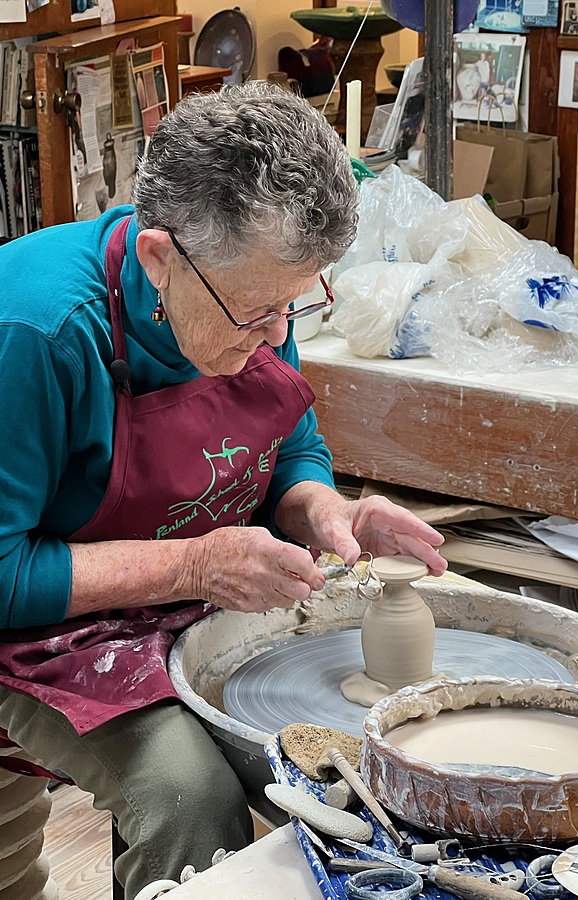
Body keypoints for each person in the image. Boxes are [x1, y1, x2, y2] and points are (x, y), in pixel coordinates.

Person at [0, 82, 447, 899]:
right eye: (255, 312)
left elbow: (292, 448)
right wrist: (192, 568)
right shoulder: (35, 331)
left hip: (180, 598)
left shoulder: (249, 300)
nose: (279, 335)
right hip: (32, 628)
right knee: (188, 795)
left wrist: (327, 509)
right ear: (159, 258)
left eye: (296, 304)